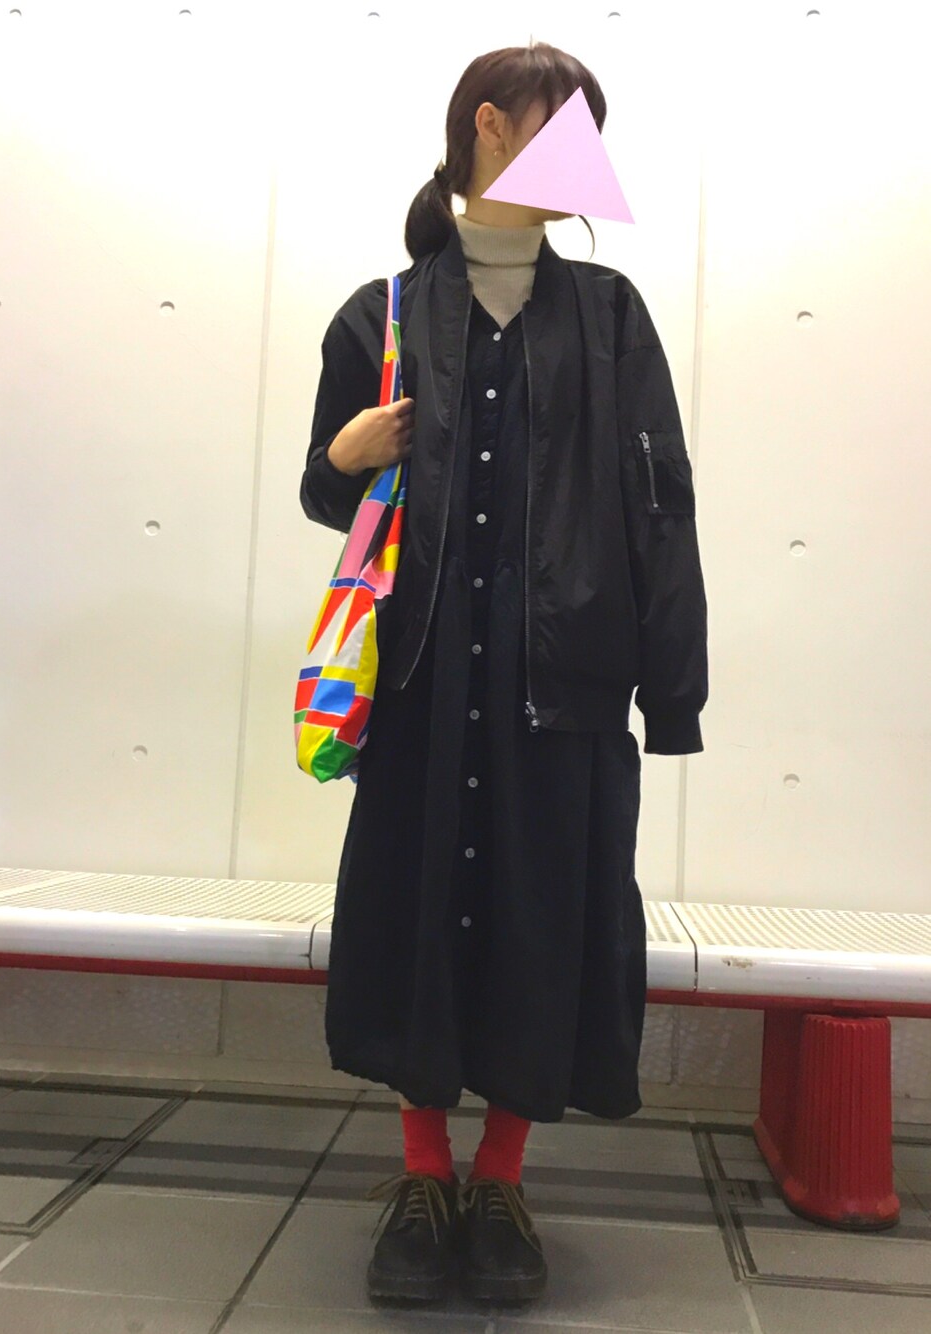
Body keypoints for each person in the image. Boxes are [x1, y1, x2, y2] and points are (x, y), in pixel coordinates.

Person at [299, 40, 708, 1306]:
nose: (588, 150)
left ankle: (501, 1180)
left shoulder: (610, 315)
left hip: (562, 684)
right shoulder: (380, 312)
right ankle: (424, 1178)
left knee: (544, 920)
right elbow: (328, 495)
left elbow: (660, 504)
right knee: (414, 917)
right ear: (490, 125)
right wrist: (346, 456)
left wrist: (671, 687)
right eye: (565, 122)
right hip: (420, 682)